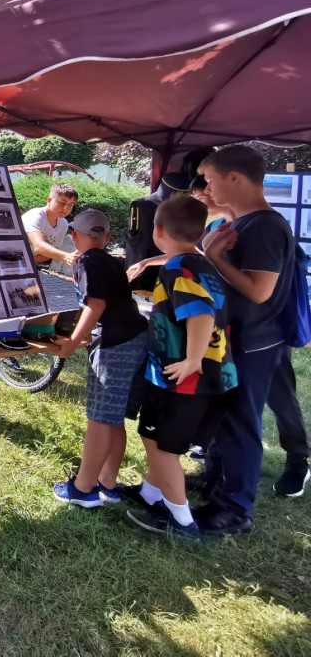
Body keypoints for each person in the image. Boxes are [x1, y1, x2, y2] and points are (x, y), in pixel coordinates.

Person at [196, 144, 310, 534]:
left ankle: (234, 509)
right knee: (221, 414)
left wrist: (213, 257)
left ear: (234, 177)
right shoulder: (242, 221)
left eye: (210, 180)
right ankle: (214, 479)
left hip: (255, 342)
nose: (207, 189)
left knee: (240, 421)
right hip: (235, 338)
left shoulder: (264, 225)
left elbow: (260, 291)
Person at [122, 195, 237, 541]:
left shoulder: (177, 270)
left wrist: (191, 360)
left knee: (159, 443)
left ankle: (181, 520)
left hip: (183, 378)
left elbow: (199, 313)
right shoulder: (202, 264)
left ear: (157, 231)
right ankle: (150, 494)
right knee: (160, 438)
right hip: (216, 376)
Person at [51, 208, 149, 507]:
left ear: (75, 236)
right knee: (113, 419)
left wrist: (72, 342)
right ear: (106, 237)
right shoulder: (111, 260)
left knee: (99, 420)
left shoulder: (85, 260)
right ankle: (107, 482)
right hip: (137, 338)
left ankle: (83, 488)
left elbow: (95, 305)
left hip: (117, 345)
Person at [125, 172, 190, 292]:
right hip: (145, 271)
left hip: (172, 267)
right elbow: (136, 242)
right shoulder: (143, 205)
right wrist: (139, 273)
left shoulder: (185, 210)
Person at [22, 182, 79, 267]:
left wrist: (23, 264)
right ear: (49, 200)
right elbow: (38, 246)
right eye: (62, 202)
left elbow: (49, 253)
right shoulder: (35, 216)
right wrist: (66, 256)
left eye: (71, 204)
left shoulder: (63, 224)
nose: (66, 208)